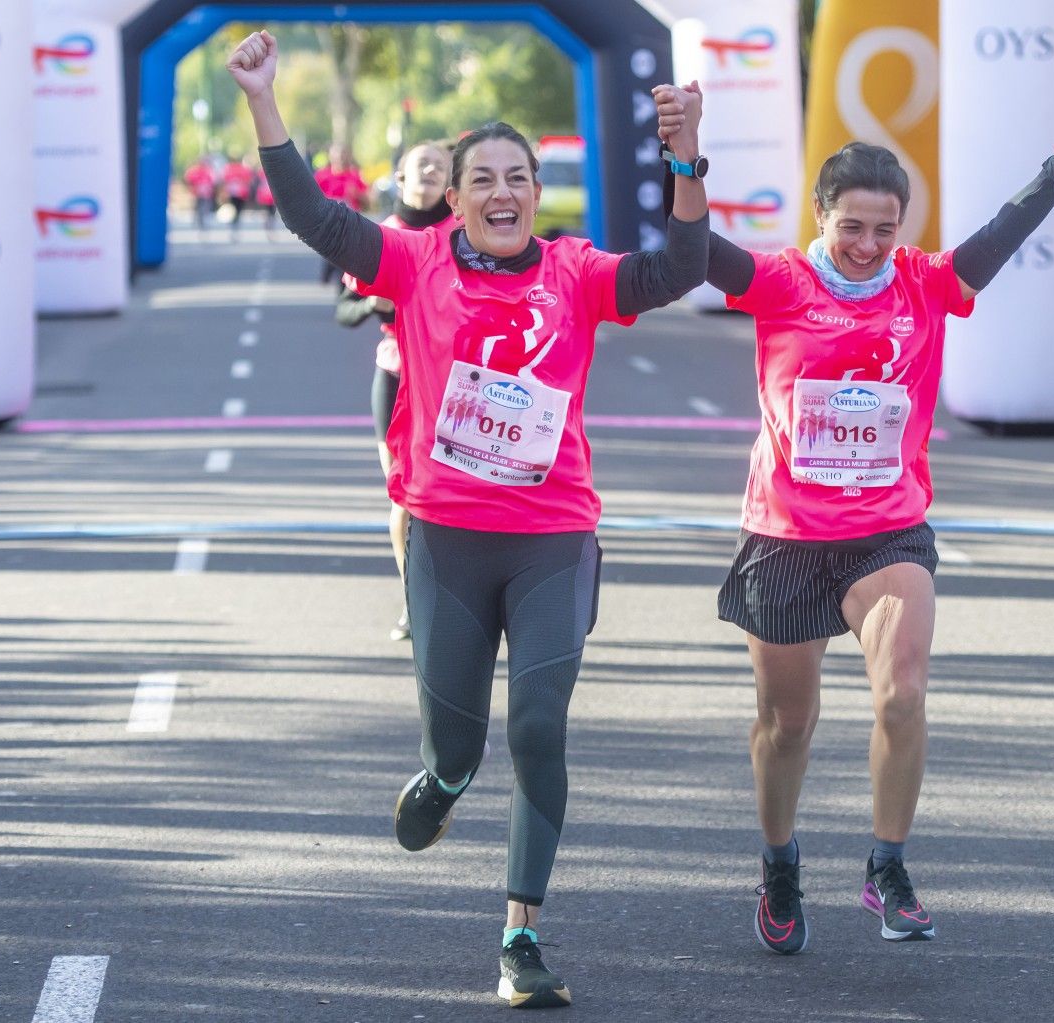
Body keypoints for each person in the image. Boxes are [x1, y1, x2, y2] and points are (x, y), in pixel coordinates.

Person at [227, 29, 710, 1009]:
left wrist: (686, 155)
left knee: (537, 727)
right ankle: (443, 782)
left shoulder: (575, 272)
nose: (500, 192)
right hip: (445, 542)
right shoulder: (409, 264)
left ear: (535, 193)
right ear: (452, 196)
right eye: (480, 177)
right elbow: (313, 219)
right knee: (458, 747)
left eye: (516, 178)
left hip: (551, 540)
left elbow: (683, 266)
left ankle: (519, 935)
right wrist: (264, 100)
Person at [703, 98, 1054, 955]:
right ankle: (779, 864)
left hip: (887, 530)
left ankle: (886, 865)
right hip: (785, 533)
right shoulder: (780, 281)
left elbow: (997, 239)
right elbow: (691, 252)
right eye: (852, 226)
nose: (867, 246)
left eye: (885, 229)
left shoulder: (922, 282)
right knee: (788, 725)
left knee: (904, 693)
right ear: (821, 217)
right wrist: (682, 159)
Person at [333, 140, 453, 642]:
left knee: (454, 498)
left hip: (456, 385)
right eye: (418, 165)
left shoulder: (464, 234)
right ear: (399, 179)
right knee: (405, 498)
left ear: (452, 183)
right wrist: (375, 304)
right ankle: (414, 598)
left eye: (439, 166)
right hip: (399, 378)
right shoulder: (382, 237)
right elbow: (344, 309)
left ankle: (465, 598)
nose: (427, 171)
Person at [314, 143, 366, 284]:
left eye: (343, 155)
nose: (340, 158)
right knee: (334, 249)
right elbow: (312, 198)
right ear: (331, 157)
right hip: (328, 222)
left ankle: (341, 280)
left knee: (345, 251)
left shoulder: (355, 176)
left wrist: (357, 195)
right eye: (337, 155)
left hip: (350, 221)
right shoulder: (322, 176)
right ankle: (330, 270)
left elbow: (368, 200)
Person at [221, 154, 255, 238]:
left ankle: (234, 223)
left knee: (234, 209)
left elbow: (225, 180)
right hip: (241, 193)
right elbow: (249, 180)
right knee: (238, 209)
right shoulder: (243, 169)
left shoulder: (229, 169)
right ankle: (235, 223)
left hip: (233, 193)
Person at [183, 155, 217, 232]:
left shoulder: (208, 171)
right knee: (198, 206)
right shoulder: (195, 171)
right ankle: (198, 219)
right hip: (197, 192)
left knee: (204, 206)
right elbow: (189, 179)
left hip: (206, 192)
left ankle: (202, 219)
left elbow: (213, 181)